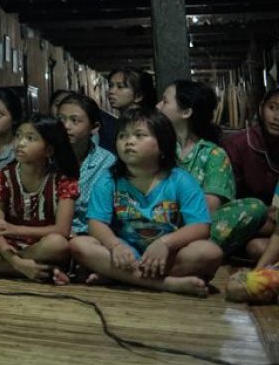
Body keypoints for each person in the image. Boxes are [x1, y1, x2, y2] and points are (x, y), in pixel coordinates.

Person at [70, 109, 222, 297]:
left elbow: (200, 226)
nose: (129, 141)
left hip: (166, 256)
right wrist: (115, 245)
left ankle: (120, 277)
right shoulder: (109, 179)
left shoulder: (180, 179)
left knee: (209, 252)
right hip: (124, 254)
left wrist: (165, 244)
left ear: (162, 143)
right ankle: (166, 284)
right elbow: (96, 223)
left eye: (139, 135)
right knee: (80, 245)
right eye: (122, 136)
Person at [0, 115, 78, 284]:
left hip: (42, 245)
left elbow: (62, 230)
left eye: (30, 138)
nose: (20, 143)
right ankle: (34, 270)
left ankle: (17, 267)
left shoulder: (63, 179)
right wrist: (17, 262)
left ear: (49, 149)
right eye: (18, 136)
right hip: (8, 246)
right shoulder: (2, 176)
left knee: (58, 244)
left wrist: (14, 229)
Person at [157, 80, 269, 256]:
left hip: (193, 227)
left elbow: (210, 208)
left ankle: (181, 251)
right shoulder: (157, 147)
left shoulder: (213, 154)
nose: (158, 106)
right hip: (154, 219)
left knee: (254, 208)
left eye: (165, 101)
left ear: (186, 112)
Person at [225, 87, 279, 263]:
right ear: (262, 108)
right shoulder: (238, 145)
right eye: (273, 108)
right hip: (250, 221)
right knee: (256, 248)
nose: (277, 117)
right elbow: (227, 200)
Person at [56, 93, 117, 235]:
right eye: (61, 119)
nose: (66, 126)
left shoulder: (106, 161)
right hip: (51, 233)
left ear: (94, 127)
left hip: (89, 236)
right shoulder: (46, 156)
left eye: (74, 120)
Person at [100, 67, 156, 153]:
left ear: (138, 96)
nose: (111, 91)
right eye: (111, 86)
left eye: (120, 87)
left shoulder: (147, 123)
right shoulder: (118, 122)